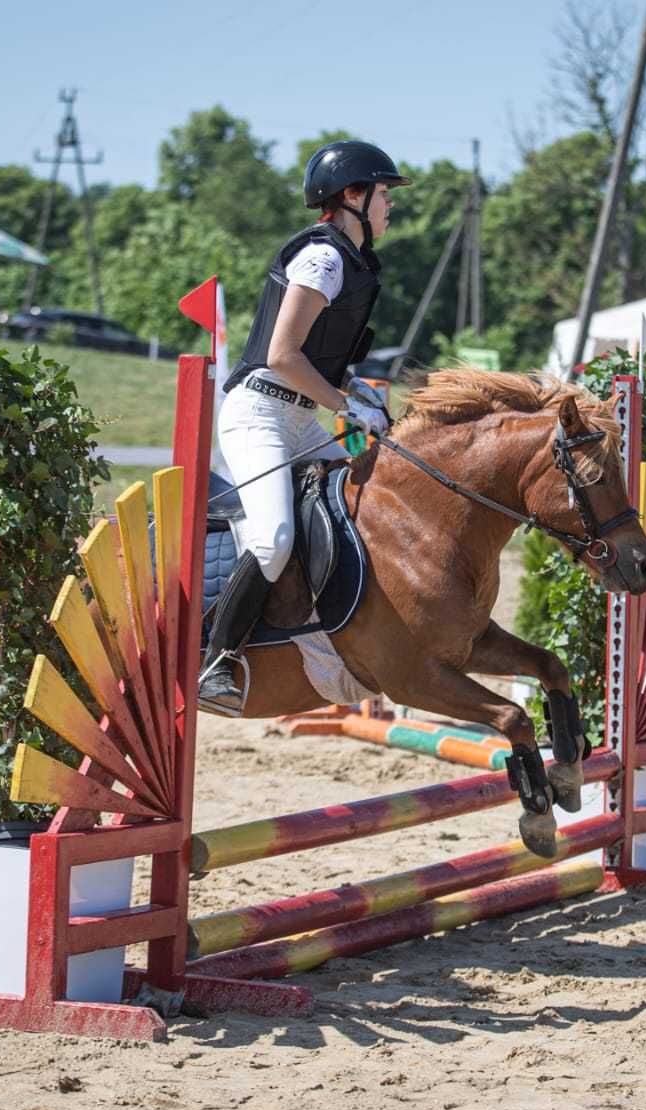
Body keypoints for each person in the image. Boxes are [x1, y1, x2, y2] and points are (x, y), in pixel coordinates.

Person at [197, 140, 409, 712]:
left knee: (367, 514)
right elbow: (282, 355)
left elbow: (320, 355)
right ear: (353, 195)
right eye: (384, 193)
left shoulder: (355, 261)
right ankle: (219, 660)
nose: (391, 205)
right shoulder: (323, 259)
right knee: (275, 538)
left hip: (298, 415)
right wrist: (345, 405)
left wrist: (354, 387)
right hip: (259, 414)